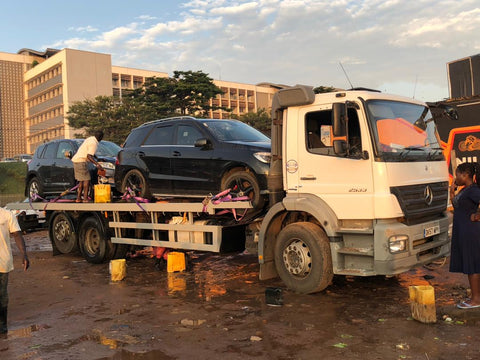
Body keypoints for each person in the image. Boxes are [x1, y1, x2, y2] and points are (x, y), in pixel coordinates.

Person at [449, 162, 480, 309]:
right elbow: (457, 207)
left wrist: (477, 215)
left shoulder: (473, 190)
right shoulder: (465, 190)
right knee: (470, 264)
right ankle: (475, 296)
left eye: (457, 175)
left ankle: (476, 300)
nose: (456, 178)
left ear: (465, 175)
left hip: (470, 231)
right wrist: (452, 192)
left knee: (472, 265)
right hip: (463, 230)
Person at [0, 208, 29, 336]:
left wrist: (24, 255)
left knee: (2, 294)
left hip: (3, 262)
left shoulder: (7, 215)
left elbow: (17, 234)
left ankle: (2, 325)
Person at [72, 130, 105, 202]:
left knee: (81, 181)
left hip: (76, 160)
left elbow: (89, 152)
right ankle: (85, 198)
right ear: (100, 137)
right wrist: (97, 164)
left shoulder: (90, 139)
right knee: (87, 180)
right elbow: (89, 156)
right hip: (81, 161)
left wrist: (96, 157)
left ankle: (78, 198)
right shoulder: (94, 143)